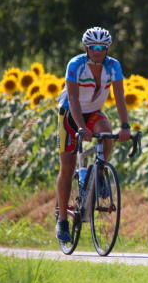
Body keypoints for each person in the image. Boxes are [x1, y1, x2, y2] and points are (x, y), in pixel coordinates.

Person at [55, 27, 131, 242]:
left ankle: (98, 173)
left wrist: (125, 126)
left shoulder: (113, 66)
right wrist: (80, 127)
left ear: (107, 48)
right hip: (71, 113)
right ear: (86, 47)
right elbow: (73, 98)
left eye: (102, 47)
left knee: (107, 133)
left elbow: (119, 98)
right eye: (93, 47)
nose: (97, 51)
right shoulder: (76, 65)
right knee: (68, 167)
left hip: (94, 112)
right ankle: (62, 219)